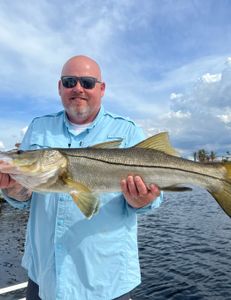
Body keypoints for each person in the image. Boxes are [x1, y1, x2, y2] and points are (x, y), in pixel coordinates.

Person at [0, 55, 163, 300]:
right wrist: (13, 189)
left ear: (102, 88)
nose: (78, 88)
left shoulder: (128, 131)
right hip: (44, 278)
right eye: (69, 81)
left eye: (87, 82)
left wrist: (143, 200)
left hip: (106, 282)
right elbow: (25, 199)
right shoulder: (39, 127)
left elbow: (155, 197)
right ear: (59, 87)